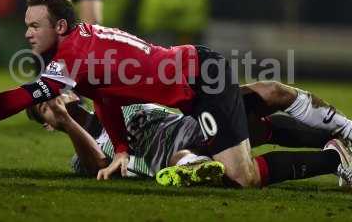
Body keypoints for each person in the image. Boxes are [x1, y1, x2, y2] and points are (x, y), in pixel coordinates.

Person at [0, 0, 352, 188]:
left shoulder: (72, 55)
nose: (26, 32)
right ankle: (345, 135)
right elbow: (106, 96)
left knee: (242, 176)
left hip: (197, 83)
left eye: (33, 25)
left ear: (59, 27)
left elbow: (13, 99)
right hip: (194, 76)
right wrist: (123, 149)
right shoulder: (82, 49)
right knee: (269, 100)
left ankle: (335, 156)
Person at [28, 88, 350, 189]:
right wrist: (68, 122)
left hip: (192, 123)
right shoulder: (81, 157)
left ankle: (340, 135)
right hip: (172, 157)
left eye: (55, 96)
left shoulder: (111, 99)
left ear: (71, 92)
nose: (55, 103)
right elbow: (99, 163)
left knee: (262, 109)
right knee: (185, 160)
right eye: (44, 108)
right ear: (46, 124)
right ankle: (336, 156)